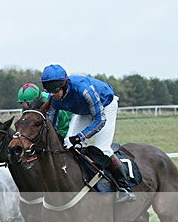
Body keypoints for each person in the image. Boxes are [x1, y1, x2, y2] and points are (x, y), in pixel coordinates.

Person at [41, 64, 134, 202]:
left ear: (64, 84)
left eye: (55, 90)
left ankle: (124, 187)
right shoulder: (53, 97)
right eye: (49, 91)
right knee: (68, 145)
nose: (53, 95)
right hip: (83, 110)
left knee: (102, 149)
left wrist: (79, 137)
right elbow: (51, 125)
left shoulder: (83, 90)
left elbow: (100, 119)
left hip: (105, 105)